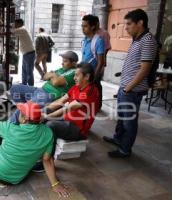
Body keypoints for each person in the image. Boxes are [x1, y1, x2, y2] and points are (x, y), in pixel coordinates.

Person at [0, 102, 70, 197]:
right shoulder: (48, 133)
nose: (17, 113)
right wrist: (55, 184)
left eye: (19, 112)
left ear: (24, 119)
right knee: (4, 137)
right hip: (17, 180)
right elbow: (47, 160)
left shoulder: (10, 128)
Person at [103, 9, 157, 158]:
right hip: (126, 89)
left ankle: (125, 149)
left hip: (132, 91)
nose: (126, 27)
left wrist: (128, 88)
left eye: (129, 24)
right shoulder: (138, 39)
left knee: (129, 122)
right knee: (122, 117)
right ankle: (118, 139)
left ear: (140, 23)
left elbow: (145, 69)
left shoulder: (148, 40)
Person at [9, 51, 78, 124]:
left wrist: (52, 75)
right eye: (62, 61)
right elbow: (44, 76)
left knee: (26, 108)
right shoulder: (61, 69)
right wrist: (53, 76)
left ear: (73, 63)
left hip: (48, 94)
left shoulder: (73, 73)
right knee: (14, 89)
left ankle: (9, 126)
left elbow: (55, 82)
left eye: (65, 61)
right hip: (39, 90)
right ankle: (26, 116)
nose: (62, 63)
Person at [43, 62, 99, 143]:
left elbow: (68, 108)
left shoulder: (91, 91)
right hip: (67, 119)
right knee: (44, 111)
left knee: (50, 125)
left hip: (77, 128)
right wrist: (43, 111)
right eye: (74, 75)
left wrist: (47, 116)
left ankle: (49, 153)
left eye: (77, 75)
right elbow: (61, 101)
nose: (74, 78)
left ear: (87, 76)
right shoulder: (76, 87)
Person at [81, 14, 105, 110]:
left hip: (93, 73)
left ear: (93, 26)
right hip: (85, 72)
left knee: (95, 90)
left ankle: (96, 107)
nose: (83, 28)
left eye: (85, 26)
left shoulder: (98, 41)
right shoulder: (84, 40)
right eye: (82, 26)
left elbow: (101, 61)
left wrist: (95, 75)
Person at [13, 19, 36, 86]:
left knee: (29, 71)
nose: (14, 25)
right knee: (24, 71)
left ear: (19, 24)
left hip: (29, 54)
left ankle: (31, 87)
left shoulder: (22, 29)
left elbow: (10, 32)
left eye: (15, 24)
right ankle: (24, 84)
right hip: (26, 53)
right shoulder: (22, 29)